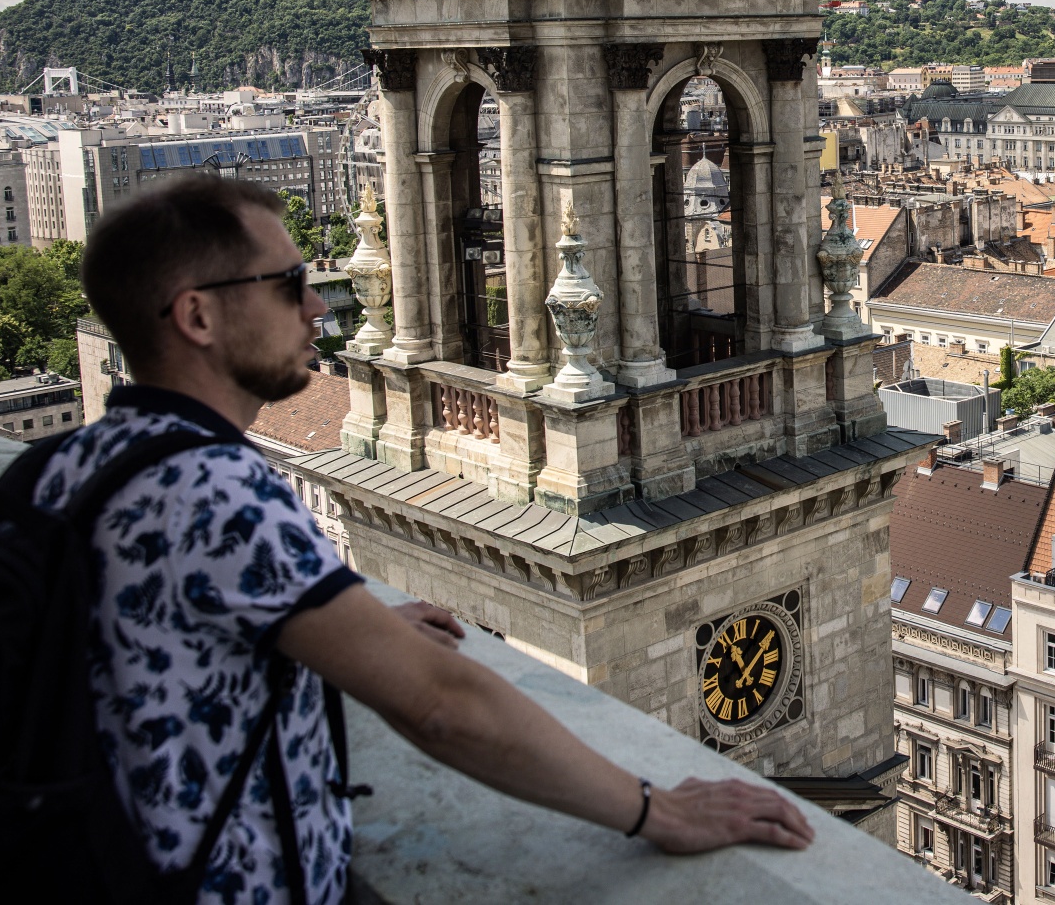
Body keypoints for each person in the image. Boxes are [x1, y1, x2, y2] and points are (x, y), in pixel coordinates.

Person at [42, 177, 811, 903]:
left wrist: (346, 632)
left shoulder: (78, 463)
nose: (315, 306)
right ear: (197, 316)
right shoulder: (214, 491)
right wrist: (658, 812)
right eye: (285, 285)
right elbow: (441, 705)